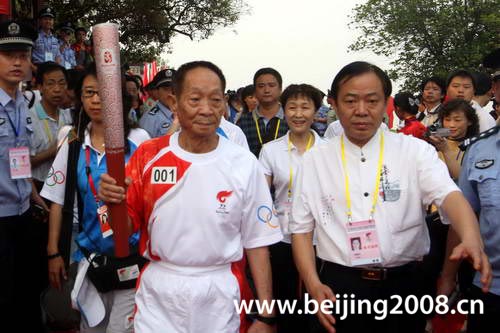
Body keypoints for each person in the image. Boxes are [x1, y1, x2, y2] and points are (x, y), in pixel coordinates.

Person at [290, 61, 491, 333]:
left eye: (372, 101)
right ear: (334, 104)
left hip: (403, 285)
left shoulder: (414, 152)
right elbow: (301, 230)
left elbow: (449, 196)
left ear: (386, 102)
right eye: (350, 101)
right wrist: (313, 284)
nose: (361, 110)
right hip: (338, 286)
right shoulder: (314, 160)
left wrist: (470, 237)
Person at [98, 60, 282, 333]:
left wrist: (266, 315)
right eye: (195, 99)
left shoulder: (243, 163)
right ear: (174, 103)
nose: (206, 109)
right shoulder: (148, 156)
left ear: (224, 105)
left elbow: (257, 243)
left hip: (220, 288)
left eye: (215, 100)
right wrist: (113, 201)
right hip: (160, 288)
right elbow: (123, 232)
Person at [40, 64, 150, 332]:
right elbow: (57, 199)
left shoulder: (140, 139)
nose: (97, 99)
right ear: (80, 98)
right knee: (92, 327)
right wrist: (53, 251)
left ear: (120, 98)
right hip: (91, 258)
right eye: (89, 93)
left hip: (133, 256)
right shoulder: (74, 141)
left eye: (104, 93)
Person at [259, 83, 326, 333]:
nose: (299, 114)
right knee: (287, 304)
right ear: (283, 111)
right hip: (282, 239)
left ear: (316, 111)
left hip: (323, 240)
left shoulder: (329, 149)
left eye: (305, 107)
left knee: (321, 306)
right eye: (292, 107)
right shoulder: (270, 151)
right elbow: (261, 197)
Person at [0, 20, 48, 331]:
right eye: (8, 55)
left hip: (22, 212)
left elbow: (18, 156)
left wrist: (33, 194)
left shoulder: (21, 103)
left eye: (24, 55)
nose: (18, 62)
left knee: (26, 292)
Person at [451, 125, 500, 333]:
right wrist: (448, 275)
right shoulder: (480, 149)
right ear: (496, 91)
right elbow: (463, 216)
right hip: (491, 286)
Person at [30, 61, 73, 190]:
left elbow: (73, 139)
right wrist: (53, 151)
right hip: (38, 186)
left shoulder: (69, 116)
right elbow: (20, 164)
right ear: (40, 87)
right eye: (50, 83)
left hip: (64, 186)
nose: (57, 89)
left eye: (61, 83)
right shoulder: (29, 118)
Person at [238, 67, 288, 157]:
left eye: (271, 85)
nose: (266, 90)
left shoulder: (290, 119)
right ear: (255, 91)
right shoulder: (243, 121)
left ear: (280, 89)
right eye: (261, 86)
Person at [139, 69, 175, 138]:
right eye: (166, 89)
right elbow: (144, 147)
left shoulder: (186, 114)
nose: (170, 93)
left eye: (174, 89)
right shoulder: (149, 119)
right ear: (157, 92)